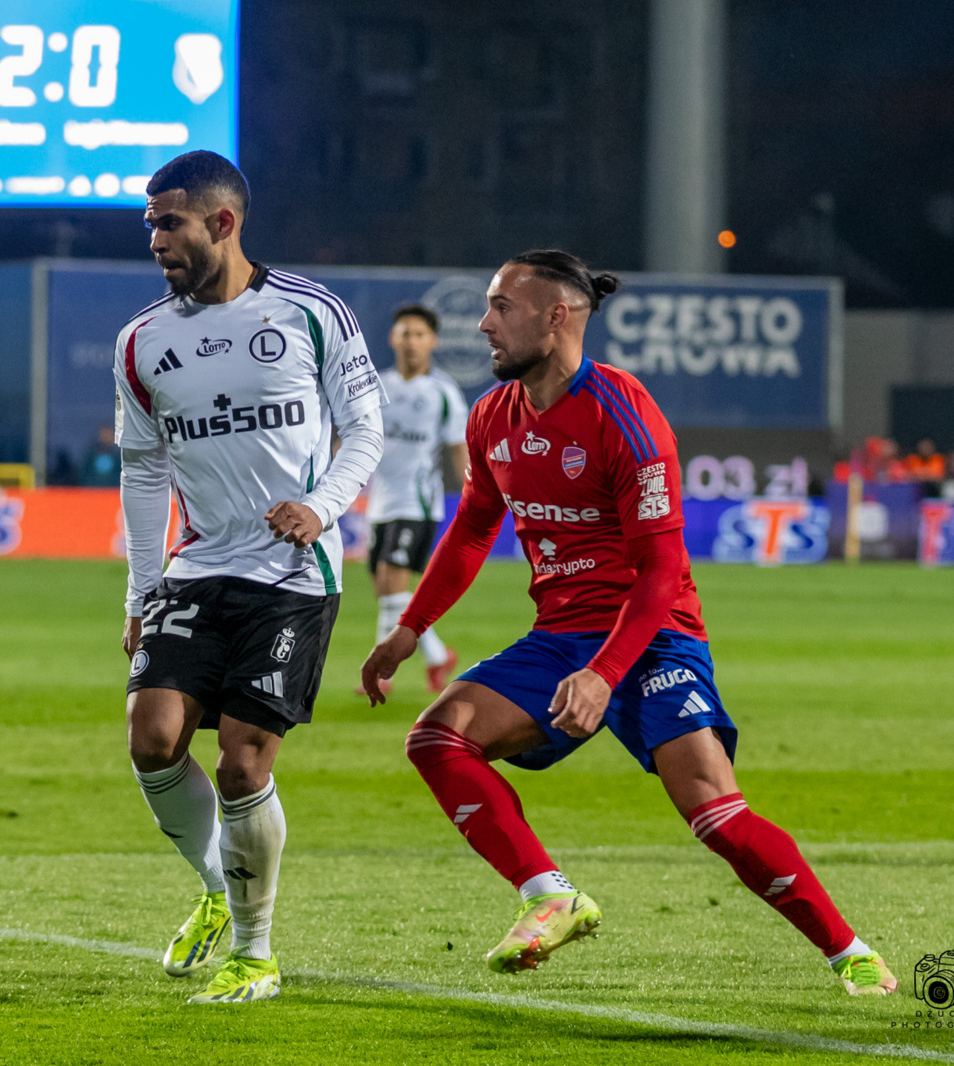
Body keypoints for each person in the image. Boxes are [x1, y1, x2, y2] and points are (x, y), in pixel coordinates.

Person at [361, 249, 896, 997]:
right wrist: (411, 627)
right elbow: (473, 527)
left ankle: (852, 955)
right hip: (562, 636)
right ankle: (550, 896)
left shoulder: (624, 415)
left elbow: (661, 573)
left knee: (714, 813)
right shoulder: (492, 416)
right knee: (436, 739)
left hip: (652, 634)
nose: (483, 324)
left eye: (500, 308)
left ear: (558, 317)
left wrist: (605, 673)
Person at [115, 150, 385, 1004]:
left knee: (241, 762)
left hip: (292, 572)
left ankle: (257, 954)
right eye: (151, 223)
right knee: (152, 738)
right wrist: (141, 590)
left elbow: (365, 430)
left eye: (170, 223)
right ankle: (217, 891)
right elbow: (143, 472)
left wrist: (323, 505)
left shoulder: (311, 313)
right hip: (197, 567)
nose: (156, 239)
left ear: (222, 223)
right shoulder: (141, 343)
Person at [363, 304, 468, 694]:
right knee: (384, 586)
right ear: (393, 339)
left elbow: (459, 447)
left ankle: (380, 670)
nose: (411, 342)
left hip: (418, 502)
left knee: (393, 580)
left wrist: (473, 496)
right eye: (405, 334)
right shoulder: (377, 385)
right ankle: (438, 656)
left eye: (419, 335)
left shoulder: (443, 393)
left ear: (432, 341)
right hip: (380, 502)